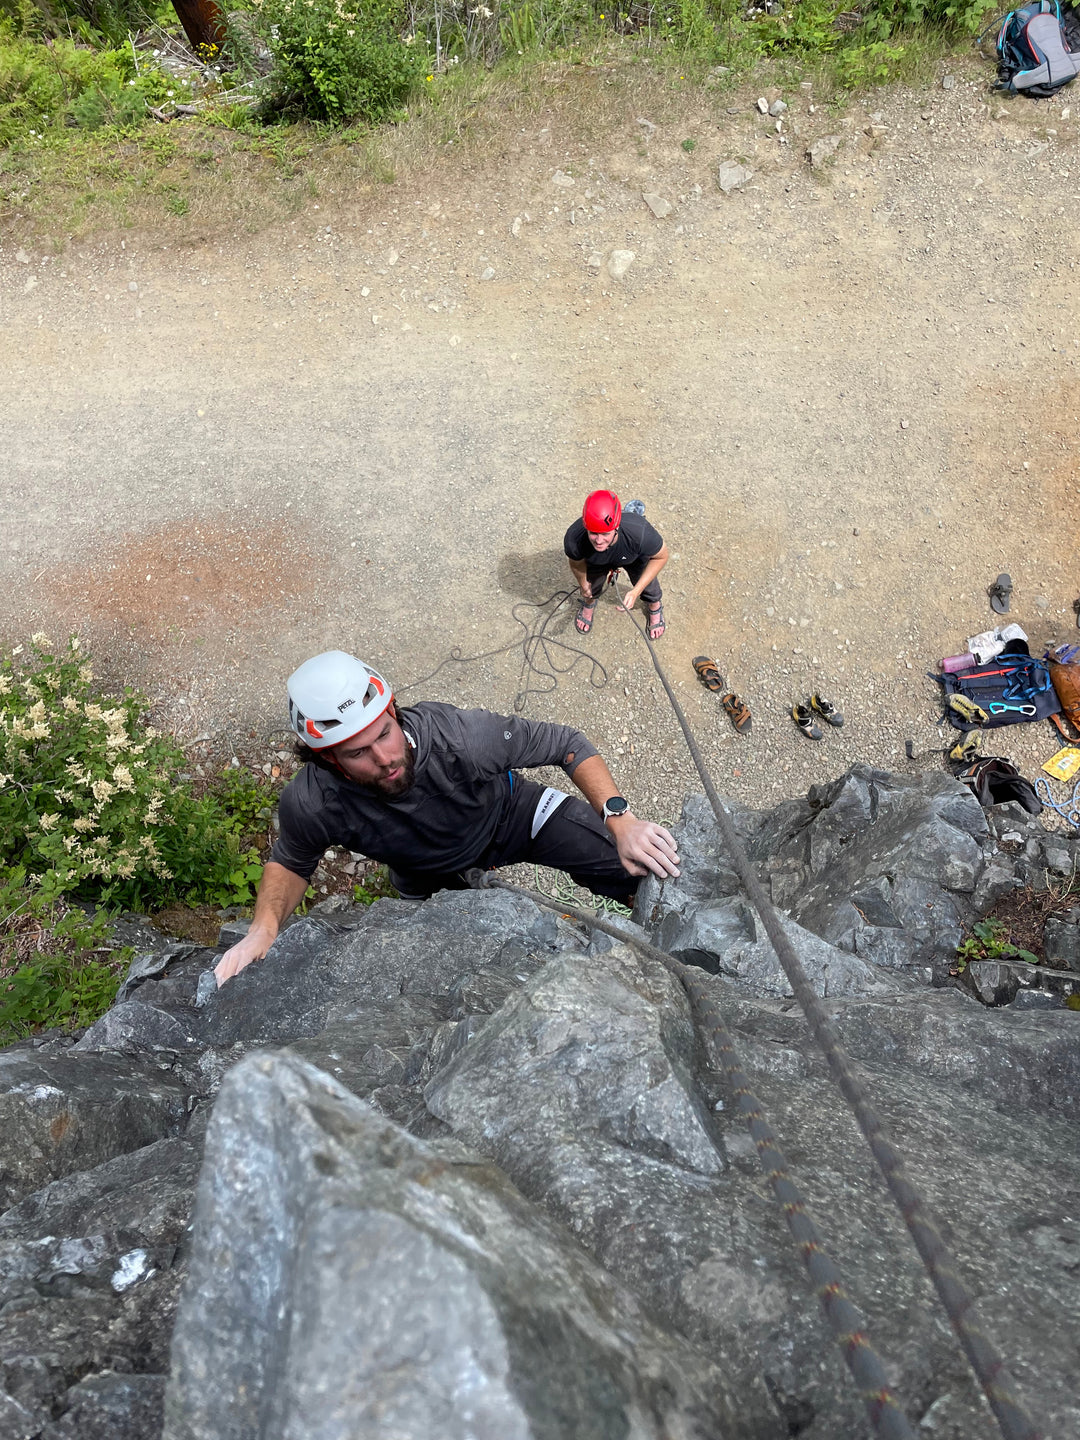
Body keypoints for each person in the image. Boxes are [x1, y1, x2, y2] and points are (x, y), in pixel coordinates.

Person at [214, 651, 681, 986]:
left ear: (394, 711)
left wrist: (620, 818)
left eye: (385, 733)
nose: (385, 758)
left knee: (640, 871)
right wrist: (264, 927)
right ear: (328, 759)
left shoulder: (461, 739)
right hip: (427, 873)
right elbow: (291, 862)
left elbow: (567, 743)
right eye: (358, 752)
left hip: (514, 816)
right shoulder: (314, 801)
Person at [564, 490, 669, 641]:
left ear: (617, 526)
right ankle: (589, 603)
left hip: (633, 556)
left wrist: (636, 591)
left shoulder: (639, 533)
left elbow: (661, 556)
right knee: (591, 588)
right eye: (593, 533)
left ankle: (654, 605)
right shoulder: (574, 538)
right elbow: (576, 562)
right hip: (596, 560)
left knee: (648, 587)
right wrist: (583, 583)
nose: (599, 541)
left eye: (606, 533)